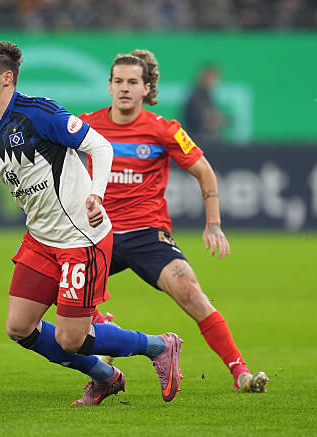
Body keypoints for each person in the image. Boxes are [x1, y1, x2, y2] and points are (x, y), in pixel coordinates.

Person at [0, 41, 183, 405]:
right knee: (19, 327)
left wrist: (96, 195)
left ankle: (159, 346)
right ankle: (105, 376)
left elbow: (100, 147)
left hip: (81, 239)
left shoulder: (39, 113)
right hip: (41, 240)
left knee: (71, 338)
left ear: (7, 78)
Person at [80, 50, 268, 392]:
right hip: (98, 232)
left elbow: (204, 171)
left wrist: (214, 224)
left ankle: (240, 372)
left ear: (146, 88)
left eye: (132, 82)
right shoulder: (86, 126)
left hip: (146, 234)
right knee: (52, 282)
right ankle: (105, 327)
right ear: (109, 86)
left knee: (190, 291)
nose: (124, 88)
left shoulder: (162, 129)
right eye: (118, 81)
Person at [182, 63, 224, 150]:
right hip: (199, 143)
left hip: (204, 142)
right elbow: (203, 120)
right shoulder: (195, 98)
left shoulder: (207, 97)